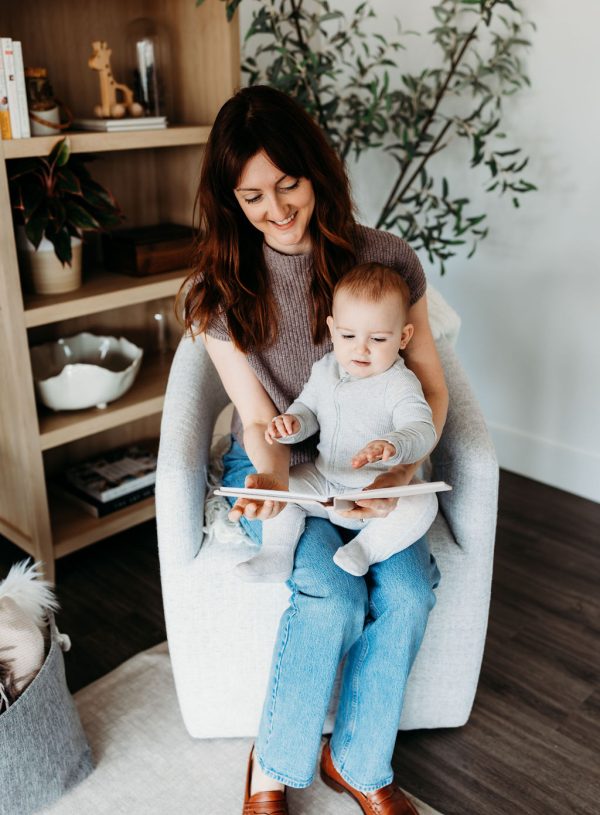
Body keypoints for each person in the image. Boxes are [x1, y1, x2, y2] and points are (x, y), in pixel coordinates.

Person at [183, 85, 447, 815]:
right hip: (286, 465)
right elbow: (261, 420)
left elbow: (429, 387)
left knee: (408, 590)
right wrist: (271, 483)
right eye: (252, 195)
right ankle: (272, 766)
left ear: (316, 170)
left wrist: (400, 469)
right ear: (229, 199)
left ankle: (359, 762)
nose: (275, 209)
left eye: (288, 184)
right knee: (329, 594)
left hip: (374, 462)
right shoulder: (219, 291)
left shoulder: (384, 258)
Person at [235, 262, 439, 582]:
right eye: (348, 335)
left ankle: (365, 550)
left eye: (379, 339)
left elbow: (423, 430)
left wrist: (395, 444)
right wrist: (292, 424)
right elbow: (308, 410)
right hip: (324, 481)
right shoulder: (325, 369)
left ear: (403, 337)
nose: (361, 348)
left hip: (376, 493)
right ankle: (275, 555)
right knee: (285, 488)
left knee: (423, 503)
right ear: (332, 330)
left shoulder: (399, 383)